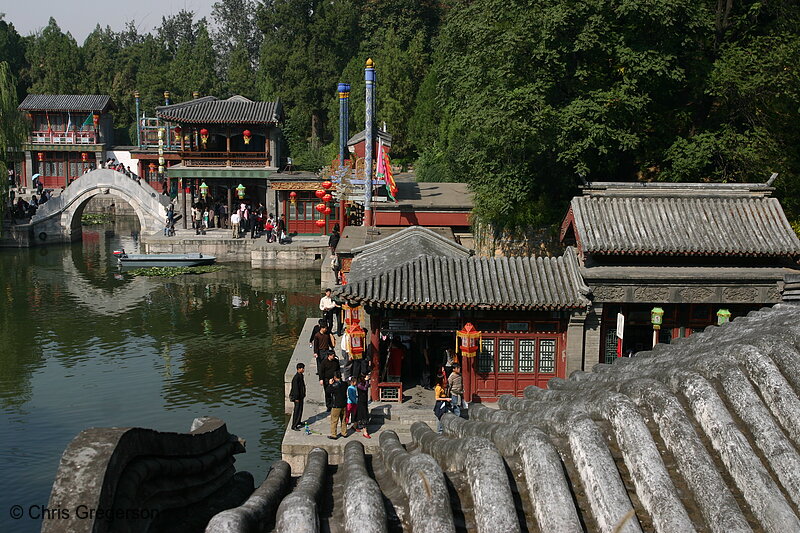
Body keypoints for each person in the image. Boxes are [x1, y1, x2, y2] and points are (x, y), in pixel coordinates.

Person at [328, 373, 348, 439]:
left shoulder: (334, 385)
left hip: (336, 405)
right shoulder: (345, 384)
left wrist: (330, 384)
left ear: (334, 377)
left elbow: (328, 391)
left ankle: (334, 434)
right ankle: (344, 432)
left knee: (334, 420)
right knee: (343, 419)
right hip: (344, 404)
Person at [289, 363, 306, 431]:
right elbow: (295, 389)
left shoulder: (301, 375)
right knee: (297, 410)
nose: (303, 369)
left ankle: (298, 421)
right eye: (302, 368)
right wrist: (296, 398)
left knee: (300, 409)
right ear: (299, 369)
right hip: (297, 397)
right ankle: (294, 425)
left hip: (301, 396)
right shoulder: (296, 378)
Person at [355, 374, 371, 438]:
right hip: (361, 402)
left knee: (360, 415)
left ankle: (354, 426)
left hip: (364, 402)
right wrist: (367, 381)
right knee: (363, 416)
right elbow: (365, 388)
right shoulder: (359, 385)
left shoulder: (363, 384)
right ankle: (365, 431)